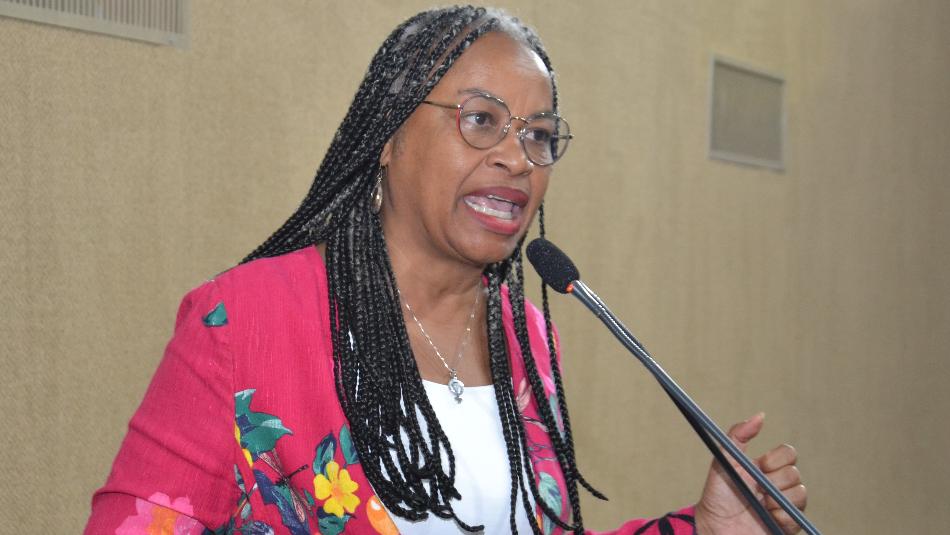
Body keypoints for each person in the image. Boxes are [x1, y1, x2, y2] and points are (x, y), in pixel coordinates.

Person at [84, 6, 807, 535]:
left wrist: (701, 528)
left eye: (539, 135)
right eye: (481, 120)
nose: (517, 158)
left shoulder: (525, 337)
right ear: (389, 136)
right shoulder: (244, 321)